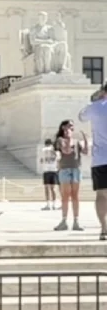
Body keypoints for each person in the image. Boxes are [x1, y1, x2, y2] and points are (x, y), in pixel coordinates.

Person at [79, 82, 107, 240]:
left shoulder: (95, 107)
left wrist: (96, 99)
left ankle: (104, 229)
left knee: (102, 194)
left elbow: (81, 116)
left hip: (101, 158)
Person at [53, 120, 88, 231]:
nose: (71, 128)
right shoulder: (60, 140)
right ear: (63, 127)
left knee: (75, 196)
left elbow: (86, 152)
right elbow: (66, 151)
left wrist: (85, 140)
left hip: (75, 169)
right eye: (69, 126)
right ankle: (64, 221)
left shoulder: (76, 141)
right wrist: (68, 138)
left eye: (72, 127)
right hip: (64, 169)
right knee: (65, 196)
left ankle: (76, 221)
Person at [39, 138, 59, 210]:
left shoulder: (43, 150)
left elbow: (41, 161)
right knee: (53, 189)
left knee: (47, 188)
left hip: (47, 171)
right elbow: (59, 159)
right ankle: (54, 205)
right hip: (53, 171)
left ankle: (48, 204)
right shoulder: (55, 151)